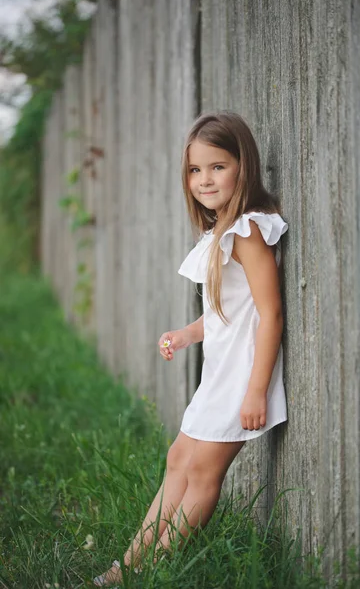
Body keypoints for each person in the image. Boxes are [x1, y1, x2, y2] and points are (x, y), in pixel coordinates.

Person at [93, 111, 288, 586]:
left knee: (202, 471)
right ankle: (132, 561)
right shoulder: (221, 231)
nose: (205, 180)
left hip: (244, 375)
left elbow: (270, 314)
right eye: (195, 170)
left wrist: (256, 390)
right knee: (178, 457)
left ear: (244, 166)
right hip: (219, 374)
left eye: (218, 167)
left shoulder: (247, 232)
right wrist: (186, 334)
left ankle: (153, 569)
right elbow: (227, 312)